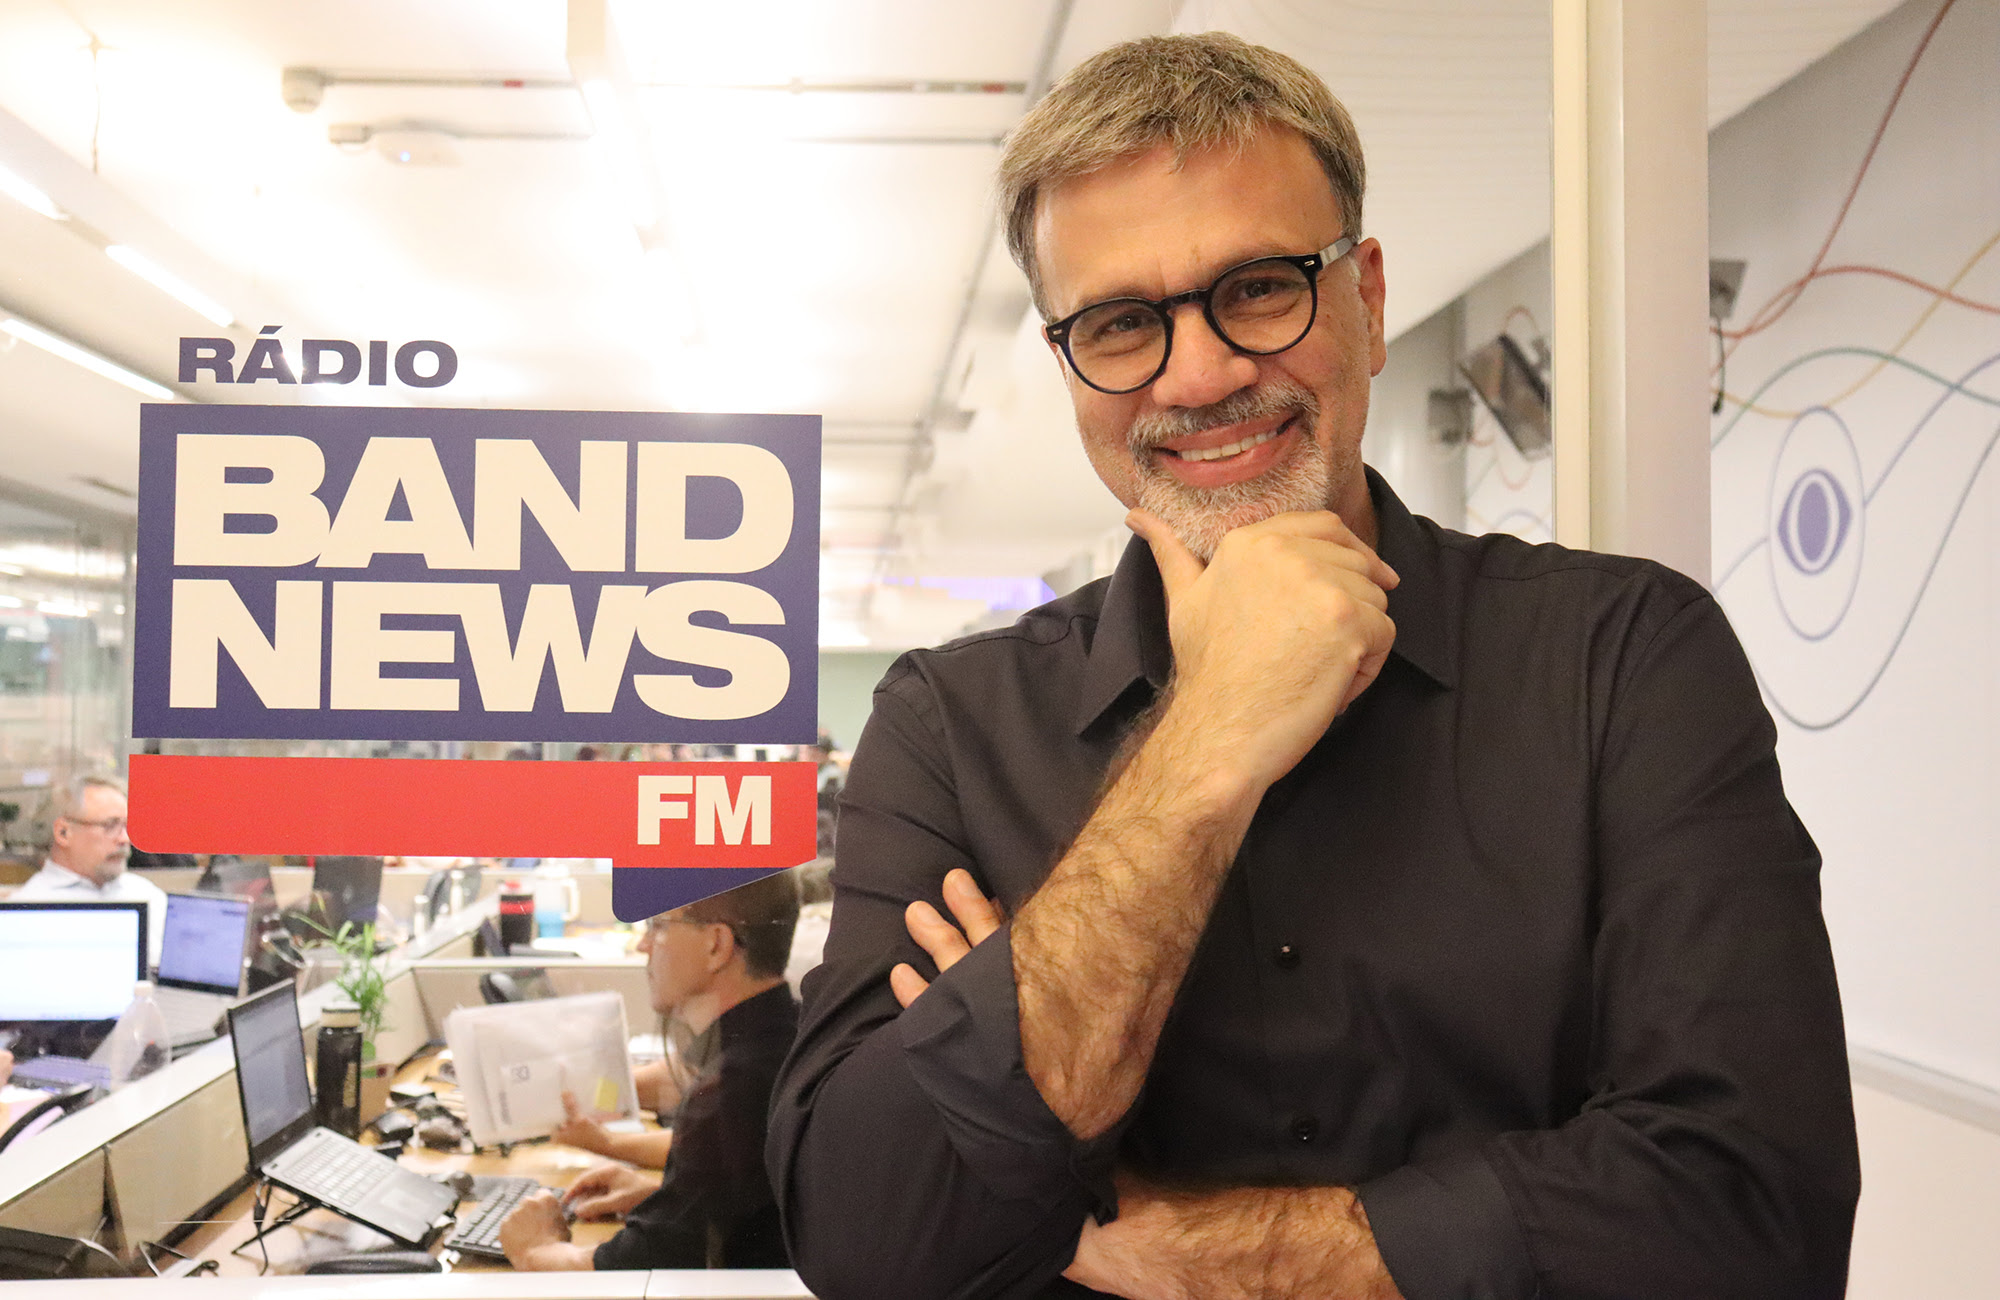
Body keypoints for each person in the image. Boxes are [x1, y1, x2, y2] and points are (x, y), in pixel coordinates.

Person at [767, 32, 1859, 1300]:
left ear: (1367, 299)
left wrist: (1159, 1234)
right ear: (1068, 363)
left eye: (1257, 288)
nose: (1199, 373)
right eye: (1119, 323)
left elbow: (1751, 1214)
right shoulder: (950, 727)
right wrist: (1205, 744)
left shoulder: (1621, 658)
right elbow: (872, 1239)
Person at [501, 870, 801, 1271]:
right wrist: (658, 1197)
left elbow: (631, 1273)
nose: (643, 945)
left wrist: (534, 1248)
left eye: (658, 926)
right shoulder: (786, 1033)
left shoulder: (731, 1091)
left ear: (716, 945)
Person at [14, 774, 166, 958]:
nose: (125, 839)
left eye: (128, 826)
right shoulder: (25, 912)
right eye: (110, 825)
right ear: (63, 833)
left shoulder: (148, 895)